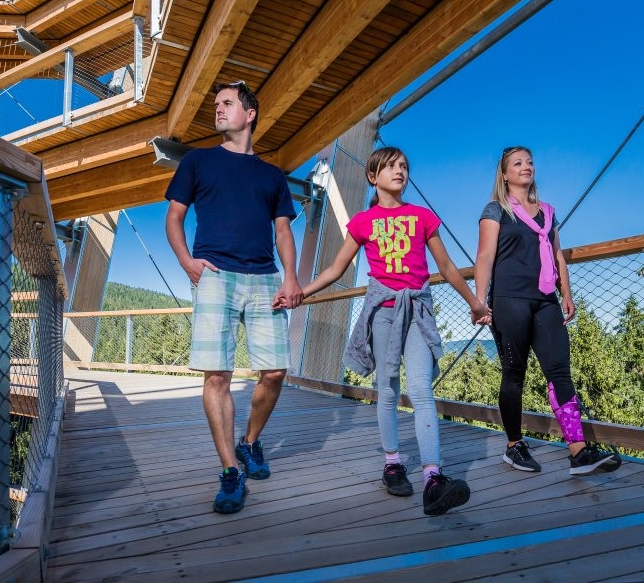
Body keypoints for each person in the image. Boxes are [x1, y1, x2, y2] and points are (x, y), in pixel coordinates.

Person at [300, 146, 491, 516]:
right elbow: (336, 269)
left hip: (417, 310)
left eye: (404, 166)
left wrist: (474, 302)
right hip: (384, 313)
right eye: (390, 166)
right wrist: (301, 293)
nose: (400, 171)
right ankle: (392, 464)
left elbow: (446, 266)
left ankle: (433, 478)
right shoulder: (363, 222)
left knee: (420, 389)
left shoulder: (422, 217)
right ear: (373, 177)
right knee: (387, 388)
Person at [165, 81, 303, 514]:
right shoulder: (198, 161)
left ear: (250, 114)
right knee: (217, 377)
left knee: (275, 372)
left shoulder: (272, 175)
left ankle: (250, 441)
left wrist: (291, 278)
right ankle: (229, 471)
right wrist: (187, 262)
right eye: (216, 105)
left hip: (265, 279)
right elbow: (174, 217)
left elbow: (283, 230)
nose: (218, 109)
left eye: (226, 103)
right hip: (215, 276)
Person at [474, 146, 621, 476]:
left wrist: (565, 293)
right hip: (509, 299)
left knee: (559, 370)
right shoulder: (495, 209)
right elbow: (484, 256)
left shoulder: (548, 213)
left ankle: (578, 451)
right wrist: (480, 300)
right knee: (514, 372)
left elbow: (557, 256)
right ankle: (514, 445)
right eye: (517, 163)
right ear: (504, 174)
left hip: (545, 300)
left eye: (529, 162)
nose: (526, 166)